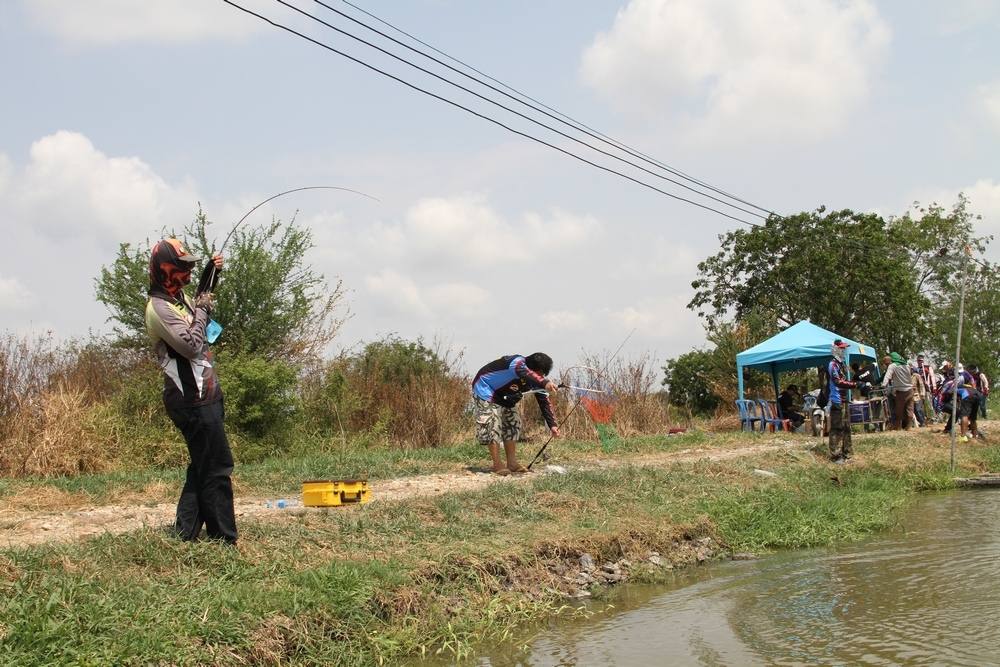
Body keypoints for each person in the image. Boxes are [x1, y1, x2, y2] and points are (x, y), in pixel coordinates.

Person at [145, 239, 237, 545]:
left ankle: (184, 533)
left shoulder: (177, 299)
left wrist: (211, 274)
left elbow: (200, 302)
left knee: (203, 465)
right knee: (217, 468)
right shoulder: (159, 309)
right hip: (192, 401)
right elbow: (192, 344)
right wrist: (201, 310)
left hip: (205, 396)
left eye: (191, 267)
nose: (188, 271)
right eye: (183, 267)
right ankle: (223, 540)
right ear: (165, 270)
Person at [472, 353, 560, 474]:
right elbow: (526, 373)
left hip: (506, 396)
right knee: (492, 424)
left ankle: (512, 463)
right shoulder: (516, 363)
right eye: (539, 373)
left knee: (513, 422)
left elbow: (543, 401)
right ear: (531, 368)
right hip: (486, 389)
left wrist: (553, 425)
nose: (541, 376)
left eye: (543, 375)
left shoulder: (537, 380)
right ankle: (497, 464)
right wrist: (544, 382)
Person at [827, 339, 857, 463]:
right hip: (836, 399)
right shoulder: (832, 364)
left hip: (844, 399)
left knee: (846, 427)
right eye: (842, 349)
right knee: (837, 428)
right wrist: (854, 384)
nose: (844, 351)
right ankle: (835, 455)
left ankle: (847, 453)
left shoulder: (842, 364)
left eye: (845, 348)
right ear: (836, 350)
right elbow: (838, 381)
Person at [882, 352, 914, 430]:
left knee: (899, 409)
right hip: (910, 389)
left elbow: (887, 376)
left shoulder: (893, 366)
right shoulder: (907, 365)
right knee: (909, 408)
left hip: (901, 390)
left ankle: (898, 427)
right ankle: (909, 426)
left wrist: (883, 385)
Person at [916, 354, 937, 422]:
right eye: (919, 361)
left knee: (928, 402)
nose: (920, 362)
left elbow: (932, 376)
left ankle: (933, 418)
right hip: (919, 388)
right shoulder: (916, 369)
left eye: (921, 360)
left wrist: (934, 387)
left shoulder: (928, 367)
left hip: (927, 387)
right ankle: (924, 417)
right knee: (920, 404)